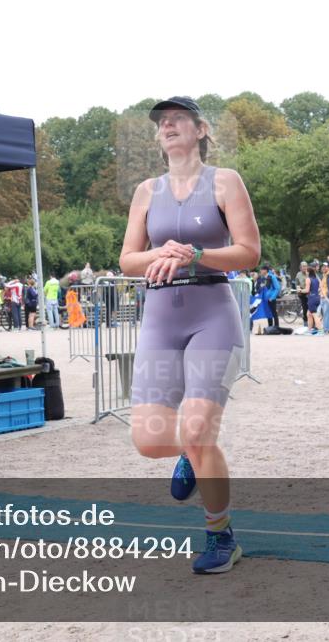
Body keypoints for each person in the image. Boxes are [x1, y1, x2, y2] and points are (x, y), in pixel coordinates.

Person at [120, 96, 260, 574]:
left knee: (199, 430)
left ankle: (221, 536)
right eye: (162, 121)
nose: (168, 125)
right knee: (148, 441)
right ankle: (188, 454)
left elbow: (249, 252)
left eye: (178, 118)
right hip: (161, 318)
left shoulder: (225, 181)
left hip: (211, 314)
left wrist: (196, 254)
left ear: (200, 130)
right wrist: (163, 252)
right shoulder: (146, 192)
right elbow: (128, 260)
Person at [303, 262, 322, 334]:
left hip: (312, 298)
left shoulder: (308, 279)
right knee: (309, 314)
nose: (306, 272)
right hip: (317, 298)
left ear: (308, 272)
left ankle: (320, 330)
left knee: (314, 315)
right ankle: (309, 330)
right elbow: (320, 287)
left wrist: (300, 290)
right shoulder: (316, 279)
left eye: (306, 271)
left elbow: (307, 290)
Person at [318, 261, 329, 334]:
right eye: (323, 267)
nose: (323, 268)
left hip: (328, 298)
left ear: (328, 267)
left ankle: (326, 329)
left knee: (326, 314)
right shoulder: (325, 275)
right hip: (323, 296)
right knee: (328, 314)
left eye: (325, 266)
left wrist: (327, 296)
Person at [294, 261, 310, 327]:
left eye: (305, 266)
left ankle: (312, 324)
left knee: (311, 309)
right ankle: (305, 324)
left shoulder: (309, 273)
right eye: (303, 266)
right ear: (300, 267)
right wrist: (298, 290)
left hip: (309, 292)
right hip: (302, 293)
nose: (304, 268)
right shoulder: (298, 274)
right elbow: (297, 283)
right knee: (305, 309)